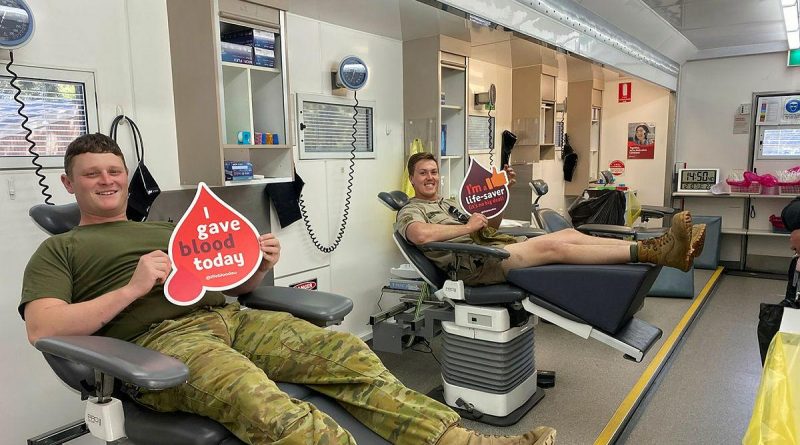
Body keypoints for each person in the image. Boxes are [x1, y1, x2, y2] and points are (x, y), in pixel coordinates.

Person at [19, 134, 557, 445]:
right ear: (70, 183)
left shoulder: (167, 227)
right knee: (261, 399)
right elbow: (44, 328)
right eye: (91, 174)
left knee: (348, 354)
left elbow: (232, 284)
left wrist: (257, 267)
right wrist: (132, 288)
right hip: (162, 343)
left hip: (232, 319)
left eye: (114, 170)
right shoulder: (60, 251)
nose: (107, 180)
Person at [396, 153, 706, 286]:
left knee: (567, 235)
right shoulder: (411, 210)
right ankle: (657, 252)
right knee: (552, 248)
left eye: (434, 172)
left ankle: (654, 245)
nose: (430, 177)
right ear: (412, 179)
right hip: (474, 266)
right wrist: (467, 227)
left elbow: (489, 227)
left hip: (491, 247)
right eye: (423, 173)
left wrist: (502, 195)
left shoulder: (451, 203)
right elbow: (420, 236)